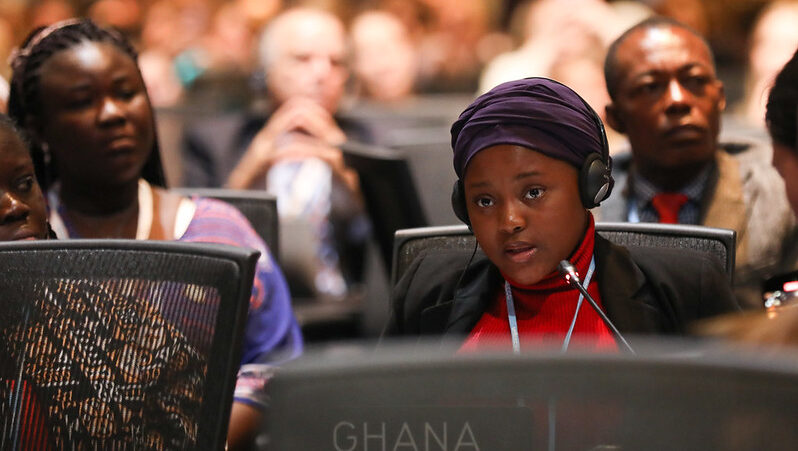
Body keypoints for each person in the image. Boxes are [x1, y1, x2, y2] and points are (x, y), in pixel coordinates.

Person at [6, 19, 301, 448]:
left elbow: (275, 365)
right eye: (83, 101)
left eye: (127, 94)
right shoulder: (23, 236)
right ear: (37, 127)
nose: (113, 114)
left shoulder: (218, 232)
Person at [384, 77, 738, 350]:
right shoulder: (426, 291)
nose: (510, 222)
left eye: (533, 192)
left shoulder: (687, 288)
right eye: (485, 201)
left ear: (591, 185)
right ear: (463, 206)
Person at [598, 17, 796, 309]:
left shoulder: (780, 189)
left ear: (720, 98)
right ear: (615, 118)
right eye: (651, 87)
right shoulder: (588, 206)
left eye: (696, 82)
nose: (678, 100)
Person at [182, 6, 369, 299]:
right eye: (302, 59)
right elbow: (190, 248)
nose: (322, 73)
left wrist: (348, 170)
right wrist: (252, 167)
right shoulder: (214, 142)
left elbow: (400, 248)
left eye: (336, 62)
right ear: (265, 72)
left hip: (350, 310)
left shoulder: (369, 140)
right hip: (248, 308)